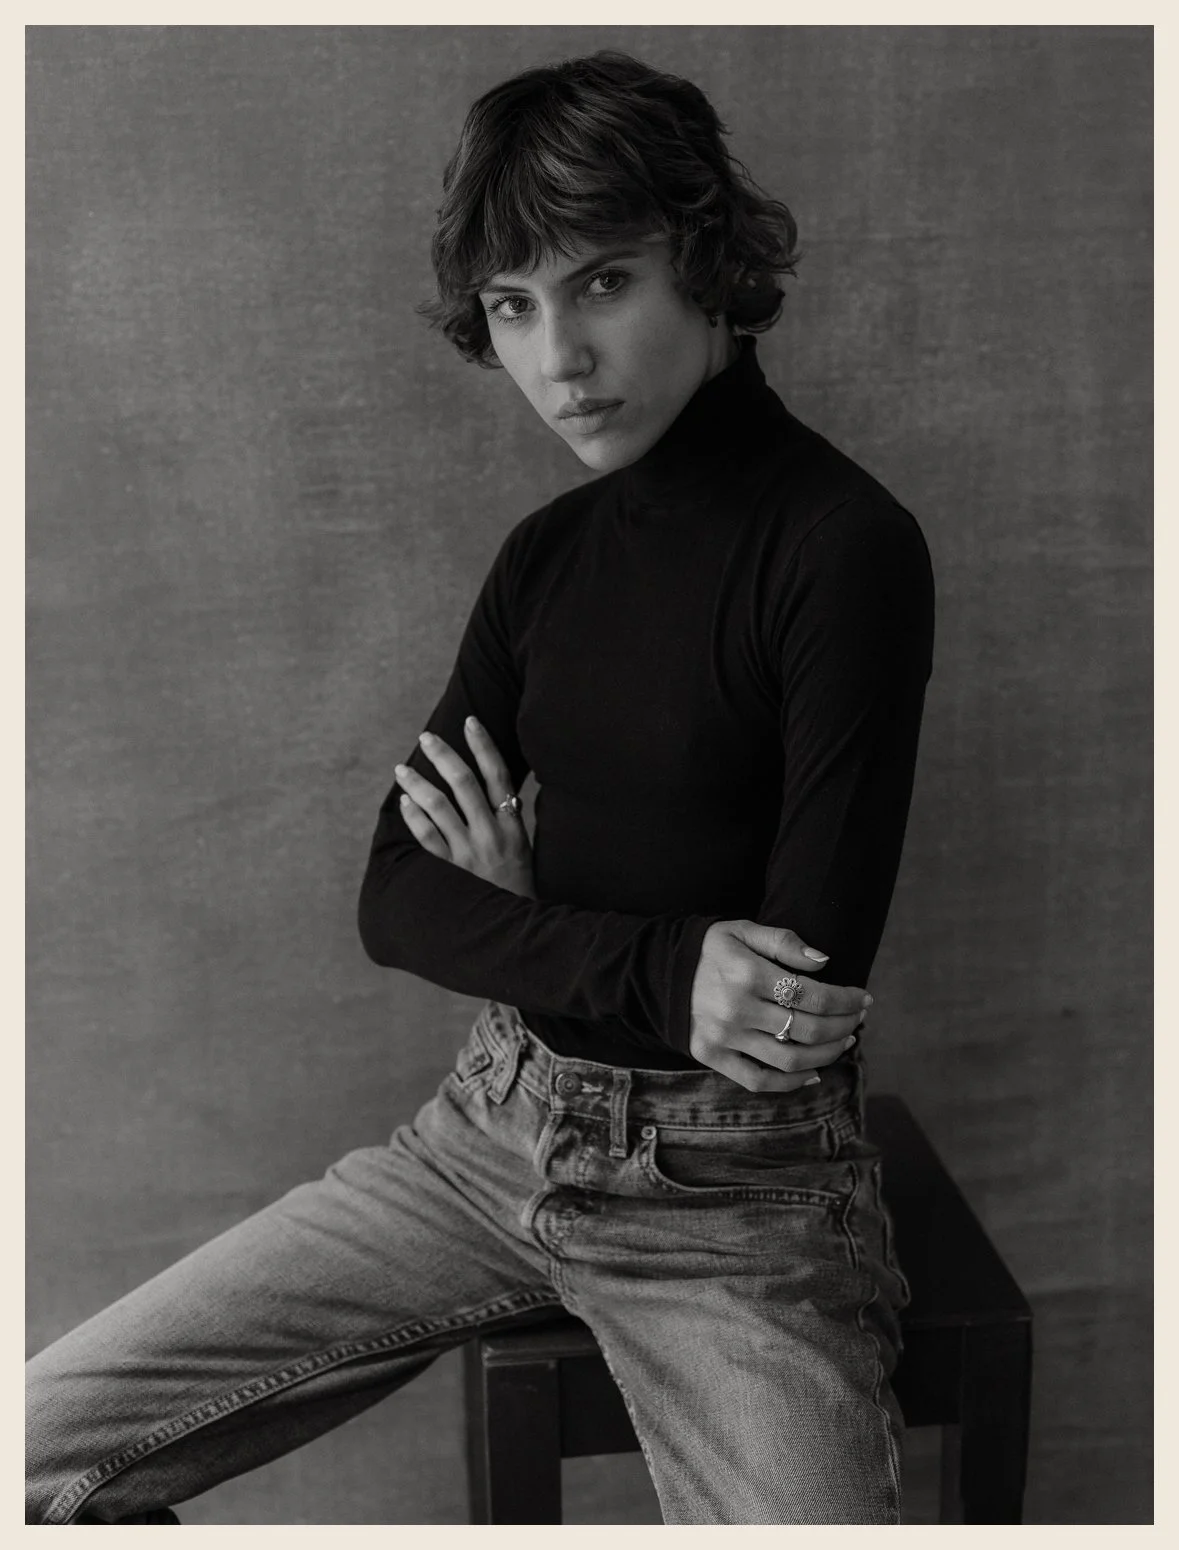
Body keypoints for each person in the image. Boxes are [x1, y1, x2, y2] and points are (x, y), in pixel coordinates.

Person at [26, 51, 934, 1525]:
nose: (555, 357)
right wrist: (642, 953)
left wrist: (527, 913)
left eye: (599, 282)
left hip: (736, 1203)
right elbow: (394, 894)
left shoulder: (843, 548)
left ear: (703, 263)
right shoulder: (544, 561)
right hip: (486, 1131)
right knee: (29, 1447)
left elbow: (790, 994)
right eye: (513, 306)